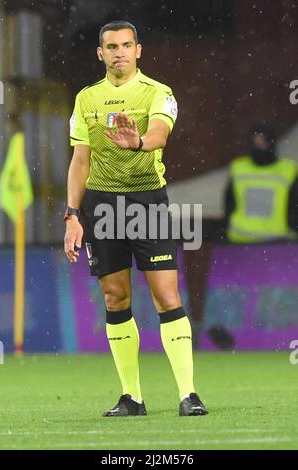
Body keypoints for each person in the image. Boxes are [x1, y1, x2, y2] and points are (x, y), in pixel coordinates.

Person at [64, 21, 208, 417]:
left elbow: (160, 134)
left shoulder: (157, 92)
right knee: (115, 298)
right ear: (100, 53)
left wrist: (139, 142)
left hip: (147, 203)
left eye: (126, 45)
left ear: (138, 50)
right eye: (111, 46)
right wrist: (72, 215)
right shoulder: (86, 99)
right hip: (101, 206)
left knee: (166, 296)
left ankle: (188, 394)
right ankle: (132, 398)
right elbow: (80, 160)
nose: (119, 52)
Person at [225, 124, 298, 243]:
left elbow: (294, 204)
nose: (260, 146)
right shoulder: (238, 168)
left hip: (279, 241)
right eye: (256, 142)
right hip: (241, 239)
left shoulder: (288, 170)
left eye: (263, 141)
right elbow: (229, 202)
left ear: (271, 143)